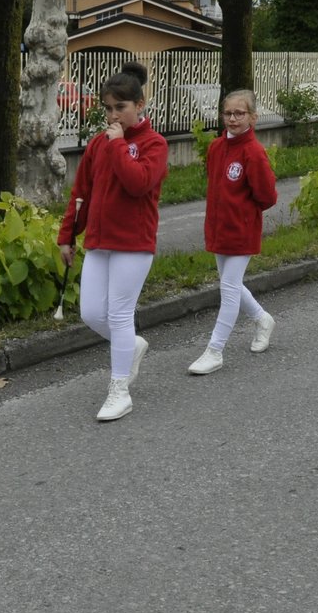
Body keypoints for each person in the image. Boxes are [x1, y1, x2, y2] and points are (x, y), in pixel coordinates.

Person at [57, 61, 168, 421]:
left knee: (119, 315)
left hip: (134, 243)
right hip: (100, 241)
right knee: (91, 312)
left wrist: (120, 145)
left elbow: (138, 184)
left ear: (140, 104)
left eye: (121, 107)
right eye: (108, 108)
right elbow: (81, 193)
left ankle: (120, 390)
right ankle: (131, 346)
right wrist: (67, 236)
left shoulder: (154, 143)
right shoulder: (98, 144)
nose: (113, 115)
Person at [187, 89, 278, 375]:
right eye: (228, 113)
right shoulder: (215, 148)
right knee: (232, 285)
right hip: (218, 229)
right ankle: (263, 319)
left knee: (227, 289)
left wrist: (243, 214)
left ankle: (215, 350)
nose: (232, 119)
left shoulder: (253, 153)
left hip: (242, 231)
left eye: (239, 113)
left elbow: (267, 196)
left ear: (253, 117)